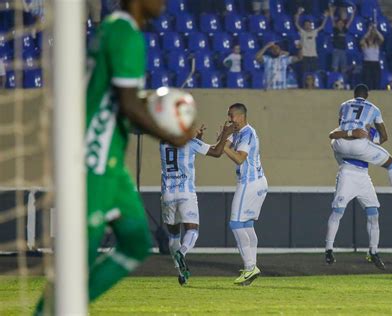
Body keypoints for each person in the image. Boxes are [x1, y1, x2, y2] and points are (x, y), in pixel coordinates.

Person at [35, 0, 193, 313]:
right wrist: (174, 135)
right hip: (91, 159)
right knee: (77, 264)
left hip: (111, 164)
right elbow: (128, 105)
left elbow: (125, 102)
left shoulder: (113, 30)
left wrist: (149, 103)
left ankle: (71, 305)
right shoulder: (124, 34)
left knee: (135, 241)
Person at [161, 123, 234, 285]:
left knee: (174, 236)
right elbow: (216, 152)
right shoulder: (191, 143)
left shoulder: (163, 142)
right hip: (185, 193)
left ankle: (181, 273)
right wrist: (226, 135)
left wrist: (198, 138)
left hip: (167, 194)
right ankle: (182, 252)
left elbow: (183, 152)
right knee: (192, 231)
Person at [330, 84, 392, 216]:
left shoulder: (344, 105)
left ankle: (345, 167)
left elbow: (340, 128)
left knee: (335, 145)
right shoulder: (374, 109)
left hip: (341, 144)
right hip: (360, 146)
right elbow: (384, 137)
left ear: (354, 94)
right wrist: (373, 138)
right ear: (367, 95)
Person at [223, 103, 268, 286]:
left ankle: (250, 267)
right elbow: (224, 145)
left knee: (235, 223)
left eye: (231, 116)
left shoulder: (247, 133)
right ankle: (252, 268)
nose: (229, 119)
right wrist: (224, 139)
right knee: (247, 225)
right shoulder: (238, 132)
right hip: (258, 181)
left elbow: (239, 157)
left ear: (241, 116)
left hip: (249, 183)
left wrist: (224, 145)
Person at [324, 136, 385, 270]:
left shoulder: (369, 131)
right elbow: (336, 145)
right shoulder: (341, 133)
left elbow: (380, 141)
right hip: (348, 172)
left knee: (374, 214)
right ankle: (329, 250)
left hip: (364, 175)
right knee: (338, 211)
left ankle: (373, 252)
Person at [294, 7, 328, 75]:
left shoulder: (314, 32)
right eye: (306, 25)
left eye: (309, 25)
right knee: (305, 73)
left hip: (313, 56)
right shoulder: (302, 32)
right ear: (304, 26)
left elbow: (322, 26)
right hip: (304, 56)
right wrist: (298, 13)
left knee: (314, 73)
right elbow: (296, 23)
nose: (308, 26)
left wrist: (326, 17)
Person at [329, 4, 354, 75]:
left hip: (343, 50)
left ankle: (344, 81)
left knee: (344, 68)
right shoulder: (335, 30)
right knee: (335, 67)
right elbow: (331, 18)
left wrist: (353, 13)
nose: (340, 24)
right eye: (339, 23)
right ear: (337, 24)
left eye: (342, 23)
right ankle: (334, 79)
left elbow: (350, 21)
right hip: (336, 50)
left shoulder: (345, 30)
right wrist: (331, 11)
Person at [360, 24, 384, 90]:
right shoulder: (365, 44)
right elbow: (361, 41)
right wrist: (369, 31)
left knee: (376, 79)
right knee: (367, 80)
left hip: (375, 63)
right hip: (367, 63)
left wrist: (376, 30)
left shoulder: (376, 44)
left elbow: (382, 38)